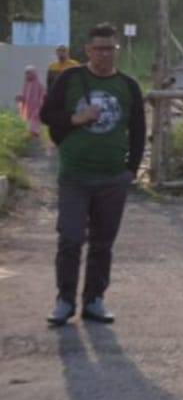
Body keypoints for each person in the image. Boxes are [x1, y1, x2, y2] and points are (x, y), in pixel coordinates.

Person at [39, 23, 146, 326]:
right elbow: (46, 115)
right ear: (87, 50)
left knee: (102, 243)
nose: (104, 54)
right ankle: (64, 299)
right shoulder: (71, 77)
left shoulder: (128, 86)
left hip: (113, 177)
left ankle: (94, 299)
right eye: (99, 48)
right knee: (71, 239)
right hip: (74, 176)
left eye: (110, 48)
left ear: (116, 50)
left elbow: (138, 129)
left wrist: (131, 170)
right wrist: (77, 117)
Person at [15, 65, 46, 137]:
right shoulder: (26, 84)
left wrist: (40, 107)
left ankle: (34, 137)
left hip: (37, 108)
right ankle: (32, 139)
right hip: (29, 108)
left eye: (29, 73)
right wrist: (20, 97)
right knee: (29, 125)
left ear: (34, 73)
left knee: (34, 125)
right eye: (26, 73)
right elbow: (24, 96)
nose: (27, 75)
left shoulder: (39, 84)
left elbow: (43, 96)